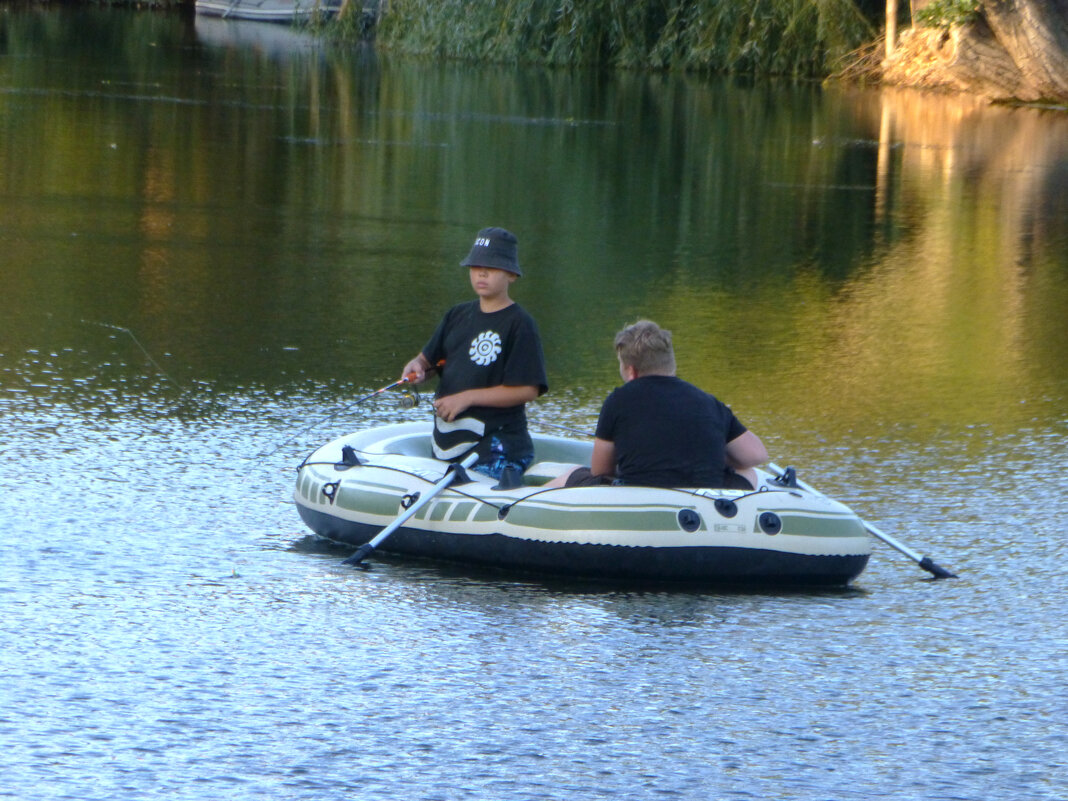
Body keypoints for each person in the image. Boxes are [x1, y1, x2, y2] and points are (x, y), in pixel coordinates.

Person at [547, 320, 767, 489]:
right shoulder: (708, 402)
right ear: (670, 363)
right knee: (750, 473)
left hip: (641, 496)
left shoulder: (619, 400)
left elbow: (600, 469)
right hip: (703, 502)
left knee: (574, 473)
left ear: (631, 371)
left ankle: (517, 505)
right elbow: (756, 455)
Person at [402, 227, 548, 480]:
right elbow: (428, 360)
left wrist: (466, 398)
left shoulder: (520, 324)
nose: (481, 272)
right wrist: (417, 366)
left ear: (511, 274)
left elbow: (528, 390)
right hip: (447, 445)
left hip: (498, 447)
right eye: (475, 265)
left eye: (491, 267)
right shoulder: (457, 315)